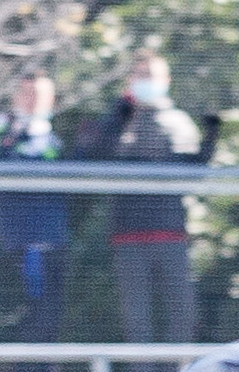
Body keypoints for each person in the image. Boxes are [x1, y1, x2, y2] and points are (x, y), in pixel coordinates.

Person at [75, 50, 201, 344]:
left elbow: (194, 171)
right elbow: (94, 157)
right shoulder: (115, 120)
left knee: (181, 312)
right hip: (127, 232)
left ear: (166, 81)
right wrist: (121, 113)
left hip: (171, 231)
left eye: (153, 76)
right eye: (141, 76)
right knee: (137, 317)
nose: (147, 82)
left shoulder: (179, 122)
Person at [0, 71, 68, 329]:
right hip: (14, 239)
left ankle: (45, 368)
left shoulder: (54, 138)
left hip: (51, 238)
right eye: (26, 93)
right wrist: (11, 133)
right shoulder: (2, 128)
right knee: (19, 316)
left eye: (38, 94)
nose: (31, 100)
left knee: (49, 316)